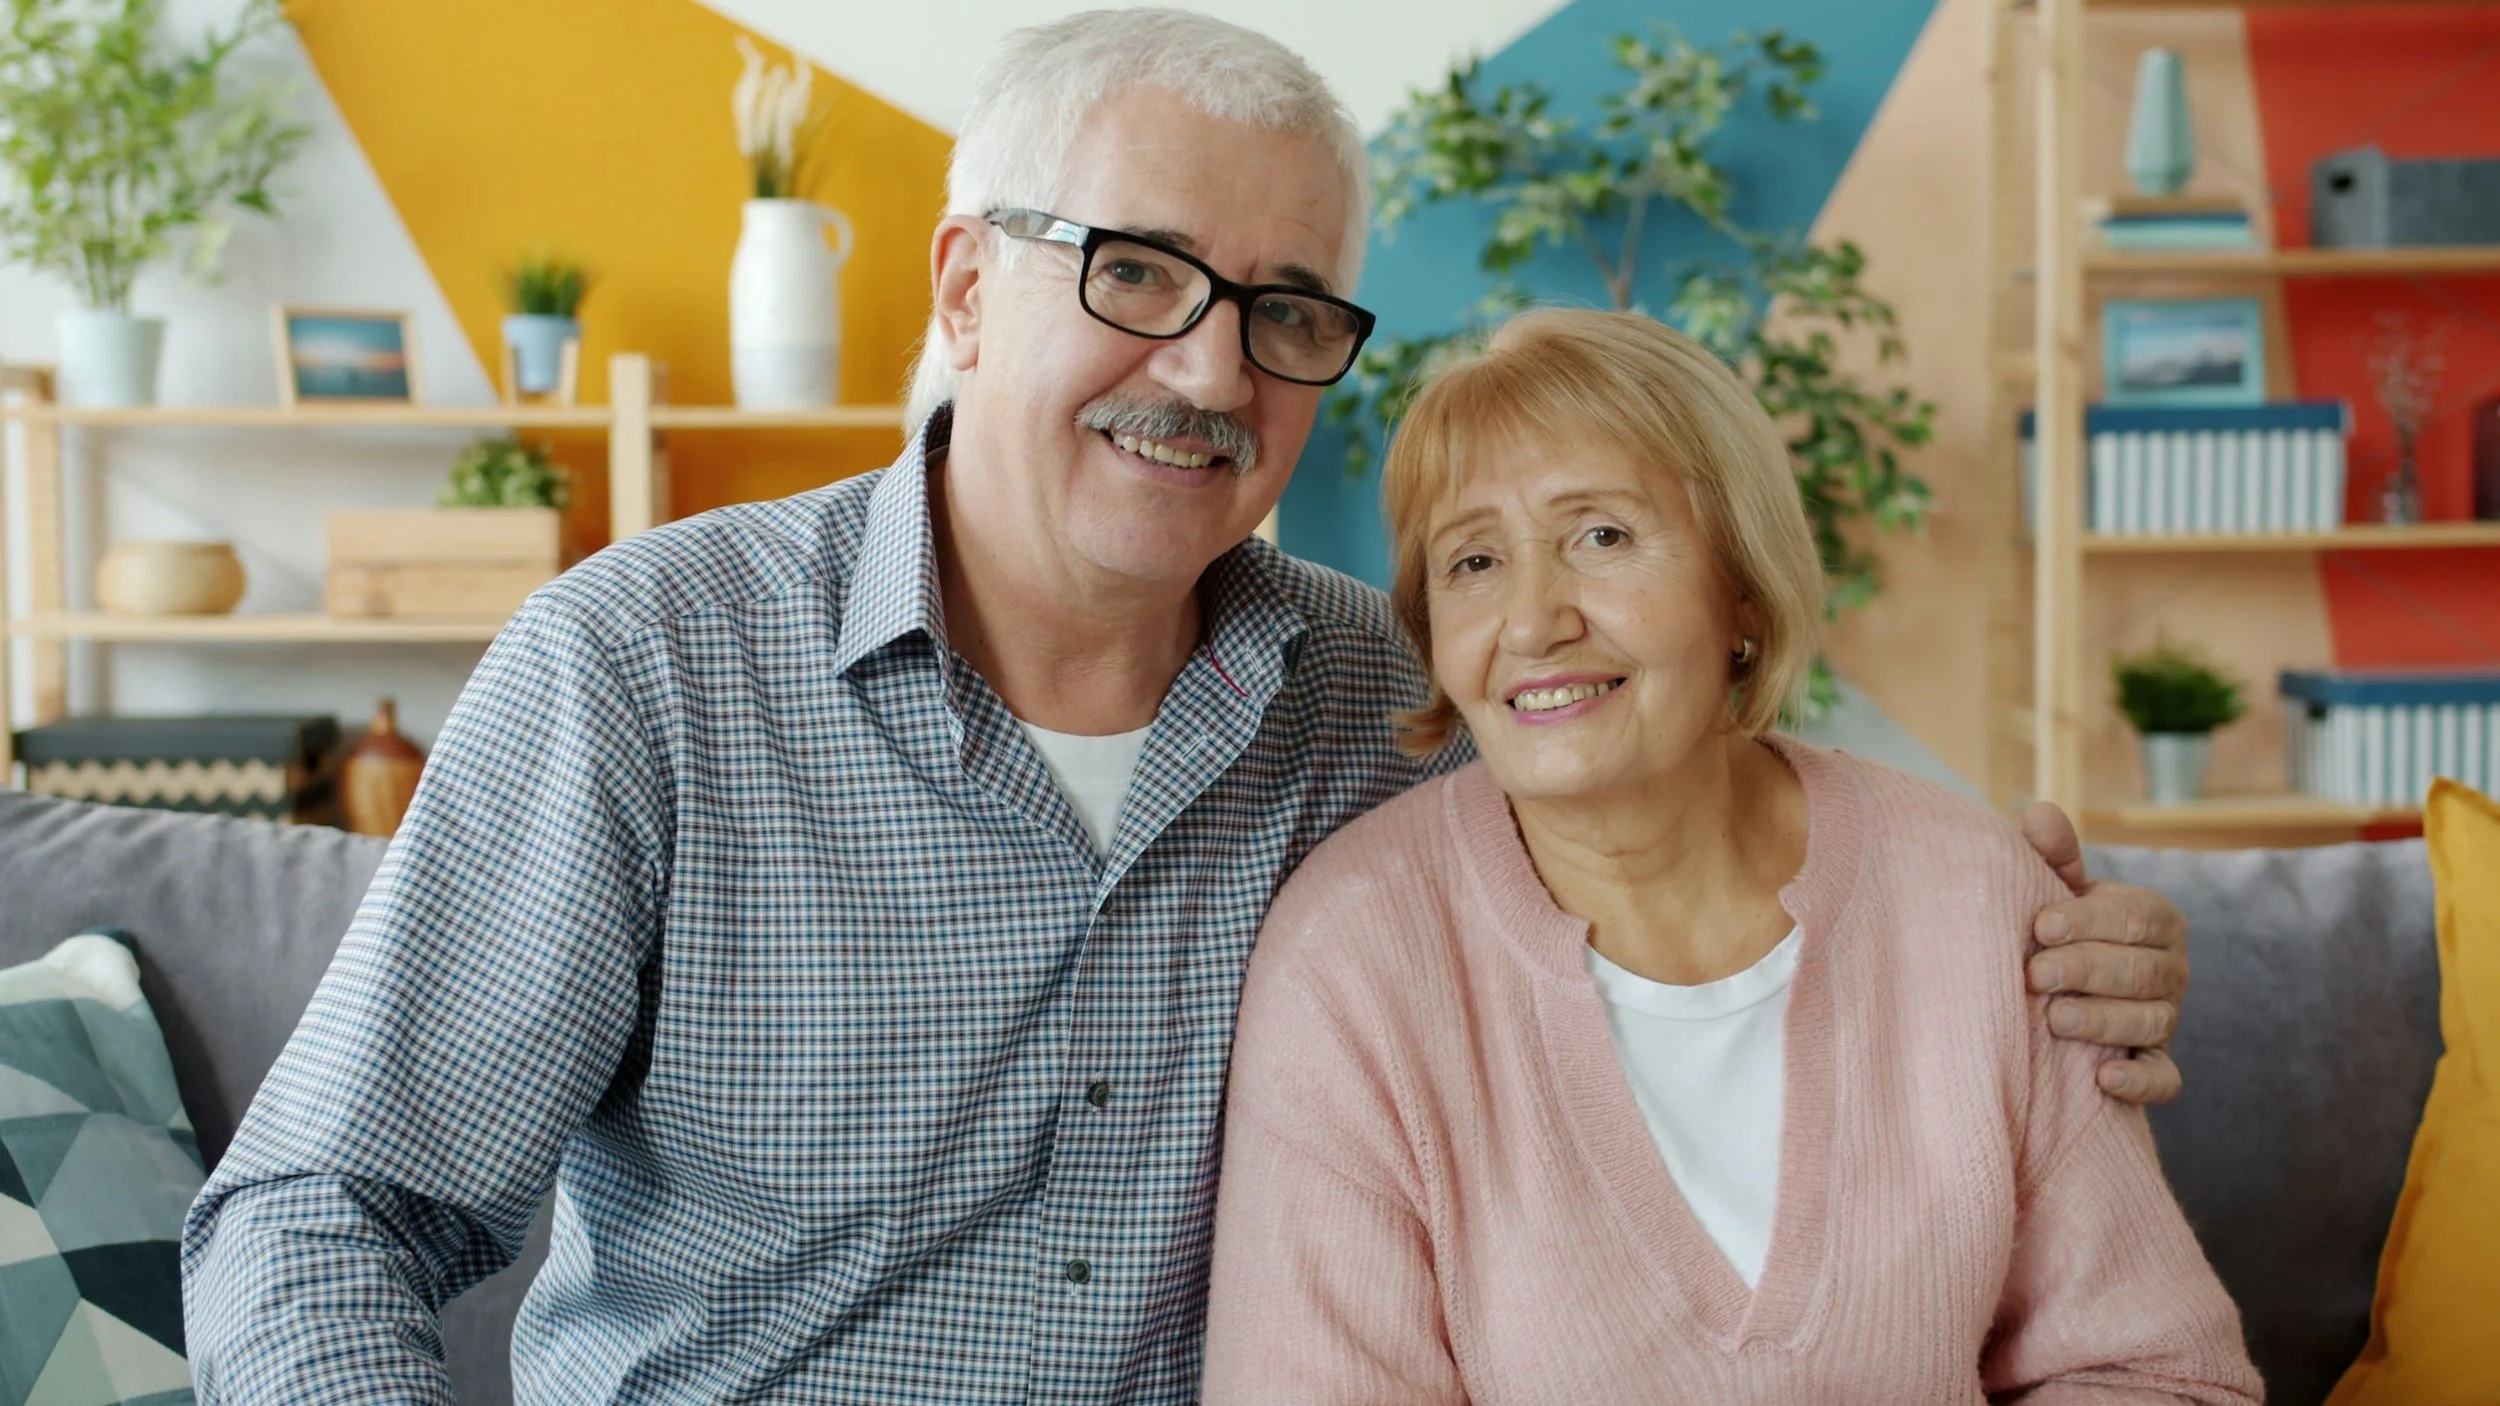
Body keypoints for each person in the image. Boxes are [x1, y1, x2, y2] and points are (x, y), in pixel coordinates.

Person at [182, 13, 2196, 1403]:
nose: (1213, 372)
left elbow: (1694, 814)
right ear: (966, 290)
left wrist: (2046, 928)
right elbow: (322, 1208)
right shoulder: (650, 669)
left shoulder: (1380, 697)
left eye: (1285, 311)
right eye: (1136, 275)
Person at [1201, 309, 2261, 1403]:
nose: (1531, 620)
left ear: (1740, 590)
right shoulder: (1357, 954)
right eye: (1472, 560)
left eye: (1600, 536)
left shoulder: (1974, 894)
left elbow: (2154, 1372)